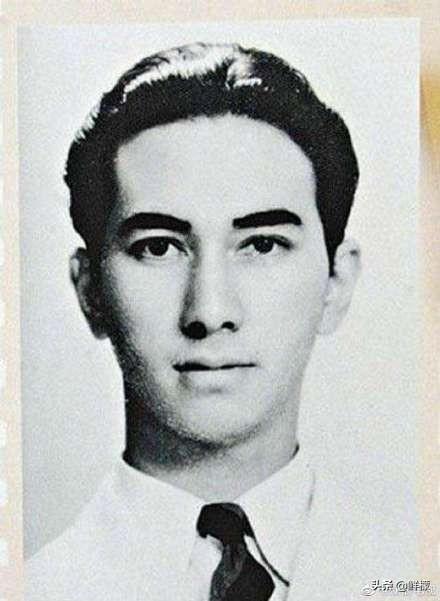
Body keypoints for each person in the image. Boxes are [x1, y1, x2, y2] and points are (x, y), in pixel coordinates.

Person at [26, 42, 413, 601]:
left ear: (336, 280)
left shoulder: (412, 577)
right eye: (158, 247)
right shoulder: (34, 588)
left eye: (262, 244)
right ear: (91, 292)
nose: (210, 312)